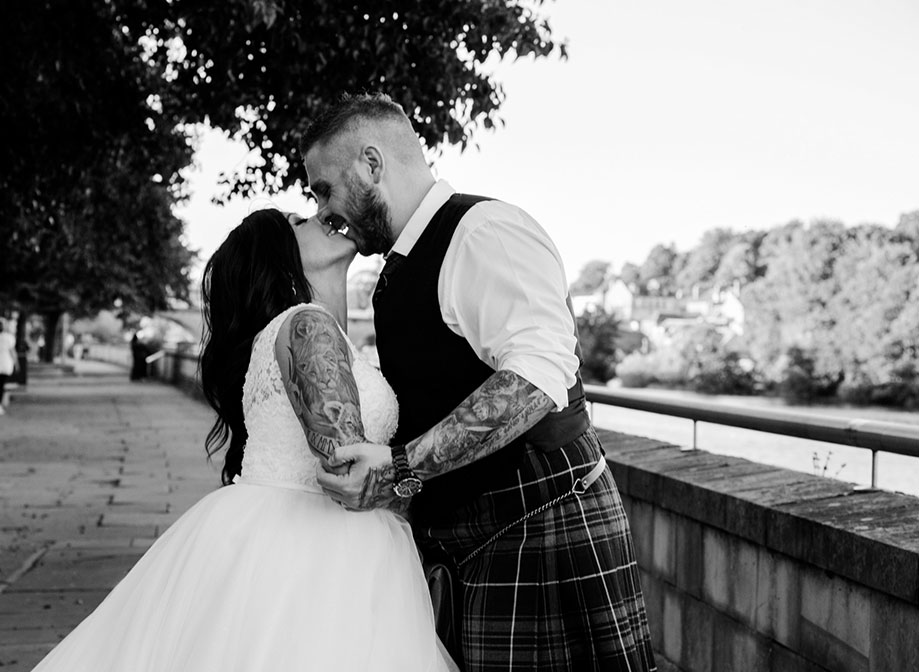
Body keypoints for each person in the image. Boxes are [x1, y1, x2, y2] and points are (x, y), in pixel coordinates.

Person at [306, 93, 657, 672]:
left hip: (544, 527)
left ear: (372, 165)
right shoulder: (402, 266)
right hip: (475, 546)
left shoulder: (483, 232)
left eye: (324, 188)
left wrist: (399, 468)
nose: (323, 211)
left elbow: (537, 377)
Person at [32, 209, 457, 671]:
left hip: (289, 535)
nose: (321, 217)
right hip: (316, 550)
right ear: (279, 256)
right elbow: (349, 465)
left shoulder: (301, 330)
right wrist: (428, 478)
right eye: (299, 222)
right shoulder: (306, 325)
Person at [0, 320, 17, 414]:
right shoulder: (9, 338)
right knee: (1, 384)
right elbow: (12, 352)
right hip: (5, 365)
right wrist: (16, 363)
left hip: (3, 364)